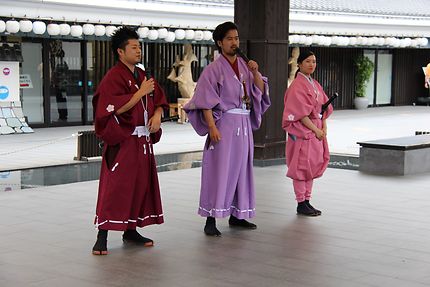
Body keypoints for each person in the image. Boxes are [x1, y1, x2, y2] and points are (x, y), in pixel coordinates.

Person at [183, 21, 271, 236]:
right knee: (219, 170)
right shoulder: (212, 70)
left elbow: (260, 91)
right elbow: (204, 100)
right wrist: (211, 127)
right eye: (229, 39)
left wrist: (256, 72)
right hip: (224, 124)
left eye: (236, 38)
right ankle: (210, 219)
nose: (234, 42)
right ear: (220, 43)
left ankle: (237, 215)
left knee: (242, 170)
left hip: (243, 125)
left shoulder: (245, 65)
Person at [91, 27, 168, 255]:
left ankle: (131, 229)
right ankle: (102, 234)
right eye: (133, 47)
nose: (138, 51)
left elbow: (160, 100)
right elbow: (110, 109)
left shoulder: (143, 75)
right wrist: (139, 93)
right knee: (115, 188)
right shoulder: (113, 77)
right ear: (120, 52)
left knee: (140, 186)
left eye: (139, 47)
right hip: (123, 141)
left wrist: (157, 115)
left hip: (142, 141)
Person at [282, 50, 333, 217]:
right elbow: (300, 113)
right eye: (308, 61)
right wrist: (317, 129)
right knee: (301, 167)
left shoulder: (314, 84)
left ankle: (307, 200)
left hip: (315, 130)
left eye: (314, 61)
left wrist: (323, 126)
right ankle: (300, 202)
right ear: (299, 64)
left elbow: (323, 108)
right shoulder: (297, 85)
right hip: (304, 130)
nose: (312, 64)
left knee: (311, 165)